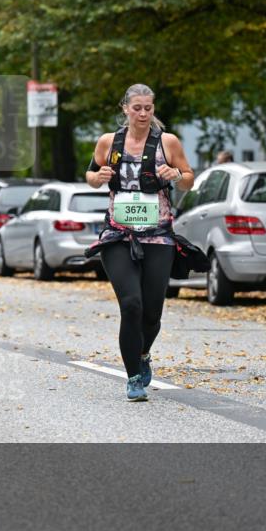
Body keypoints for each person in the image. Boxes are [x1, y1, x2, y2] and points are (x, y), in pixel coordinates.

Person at [85, 84, 194, 402]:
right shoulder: (109, 142)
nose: (144, 113)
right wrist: (99, 177)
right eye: (137, 108)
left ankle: (143, 352)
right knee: (131, 305)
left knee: (152, 313)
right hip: (118, 235)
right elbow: (90, 175)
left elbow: (189, 178)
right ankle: (133, 377)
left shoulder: (167, 142)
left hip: (158, 236)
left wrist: (174, 173)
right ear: (125, 109)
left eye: (148, 108)